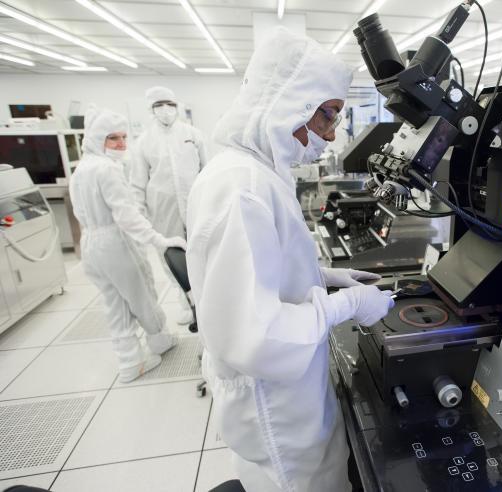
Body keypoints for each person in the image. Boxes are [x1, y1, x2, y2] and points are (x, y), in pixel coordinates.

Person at [186, 28, 394, 491]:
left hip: (290, 400)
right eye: (327, 116)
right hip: (278, 416)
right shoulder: (242, 187)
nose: (332, 134)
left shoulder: (254, 172)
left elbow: (259, 274)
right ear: (292, 102)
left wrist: (327, 275)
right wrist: (349, 305)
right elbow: (259, 336)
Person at [69, 106, 185, 383]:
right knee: (142, 294)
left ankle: (130, 362)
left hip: (91, 244)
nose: (121, 143)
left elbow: (80, 213)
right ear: (97, 140)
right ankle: (159, 341)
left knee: (114, 302)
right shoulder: (107, 170)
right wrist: (159, 239)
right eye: (113, 138)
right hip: (114, 242)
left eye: (123, 137)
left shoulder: (80, 170)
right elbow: (126, 216)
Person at [130, 86, 207, 325]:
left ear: (177, 106)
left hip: (196, 205)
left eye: (170, 105)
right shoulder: (143, 143)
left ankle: (205, 297)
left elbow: (207, 170)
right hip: (163, 210)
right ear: (151, 110)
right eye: (159, 106)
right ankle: (185, 300)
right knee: (171, 256)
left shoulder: (193, 134)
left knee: (202, 250)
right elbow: (137, 184)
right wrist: (140, 216)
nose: (165, 110)